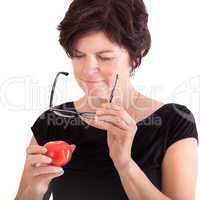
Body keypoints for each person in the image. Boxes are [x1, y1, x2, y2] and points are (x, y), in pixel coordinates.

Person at [15, 0, 199, 199]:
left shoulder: (175, 122)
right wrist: (35, 189)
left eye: (104, 57)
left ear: (136, 56)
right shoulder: (52, 122)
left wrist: (125, 164)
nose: (87, 70)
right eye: (78, 55)